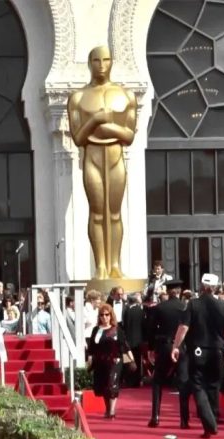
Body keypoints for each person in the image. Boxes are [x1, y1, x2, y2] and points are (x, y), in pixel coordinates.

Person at [67, 46, 137, 279]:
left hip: (116, 157)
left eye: (106, 60)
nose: (101, 65)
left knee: (114, 213)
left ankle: (115, 264)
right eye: (96, 60)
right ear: (90, 63)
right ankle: (100, 266)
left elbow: (129, 136)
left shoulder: (126, 95)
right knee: (97, 213)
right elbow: (78, 137)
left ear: (112, 62)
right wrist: (95, 119)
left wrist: (107, 127)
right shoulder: (78, 98)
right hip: (93, 158)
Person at [172, 274, 224, 438]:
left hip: (198, 350)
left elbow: (183, 328)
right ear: (216, 287)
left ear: (201, 286)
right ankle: (212, 420)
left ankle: (209, 423)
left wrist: (176, 346)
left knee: (198, 386)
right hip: (217, 350)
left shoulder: (193, 304)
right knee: (213, 386)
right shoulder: (223, 305)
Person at [146, 280, 185, 427]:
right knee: (183, 382)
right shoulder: (185, 307)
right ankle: (183, 419)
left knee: (157, 381)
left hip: (164, 346)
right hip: (181, 347)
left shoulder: (159, 308)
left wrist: (150, 348)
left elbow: (150, 330)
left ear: (168, 292)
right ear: (179, 291)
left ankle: (155, 416)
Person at [87, 303, 131, 419]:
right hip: (100, 361)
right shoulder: (96, 330)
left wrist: (132, 360)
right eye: (102, 315)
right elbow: (91, 347)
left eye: (107, 315)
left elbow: (125, 346)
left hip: (115, 361)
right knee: (103, 386)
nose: (104, 317)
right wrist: (90, 359)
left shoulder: (117, 329)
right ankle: (107, 409)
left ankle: (112, 411)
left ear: (111, 316)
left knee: (112, 384)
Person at [121, 292, 145, 386]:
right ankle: (136, 380)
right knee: (137, 360)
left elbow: (124, 324)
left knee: (127, 359)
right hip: (138, 339)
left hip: (127, 339)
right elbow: (143, 325)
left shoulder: (126, 310)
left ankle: (128, 380)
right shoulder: (140, 310)